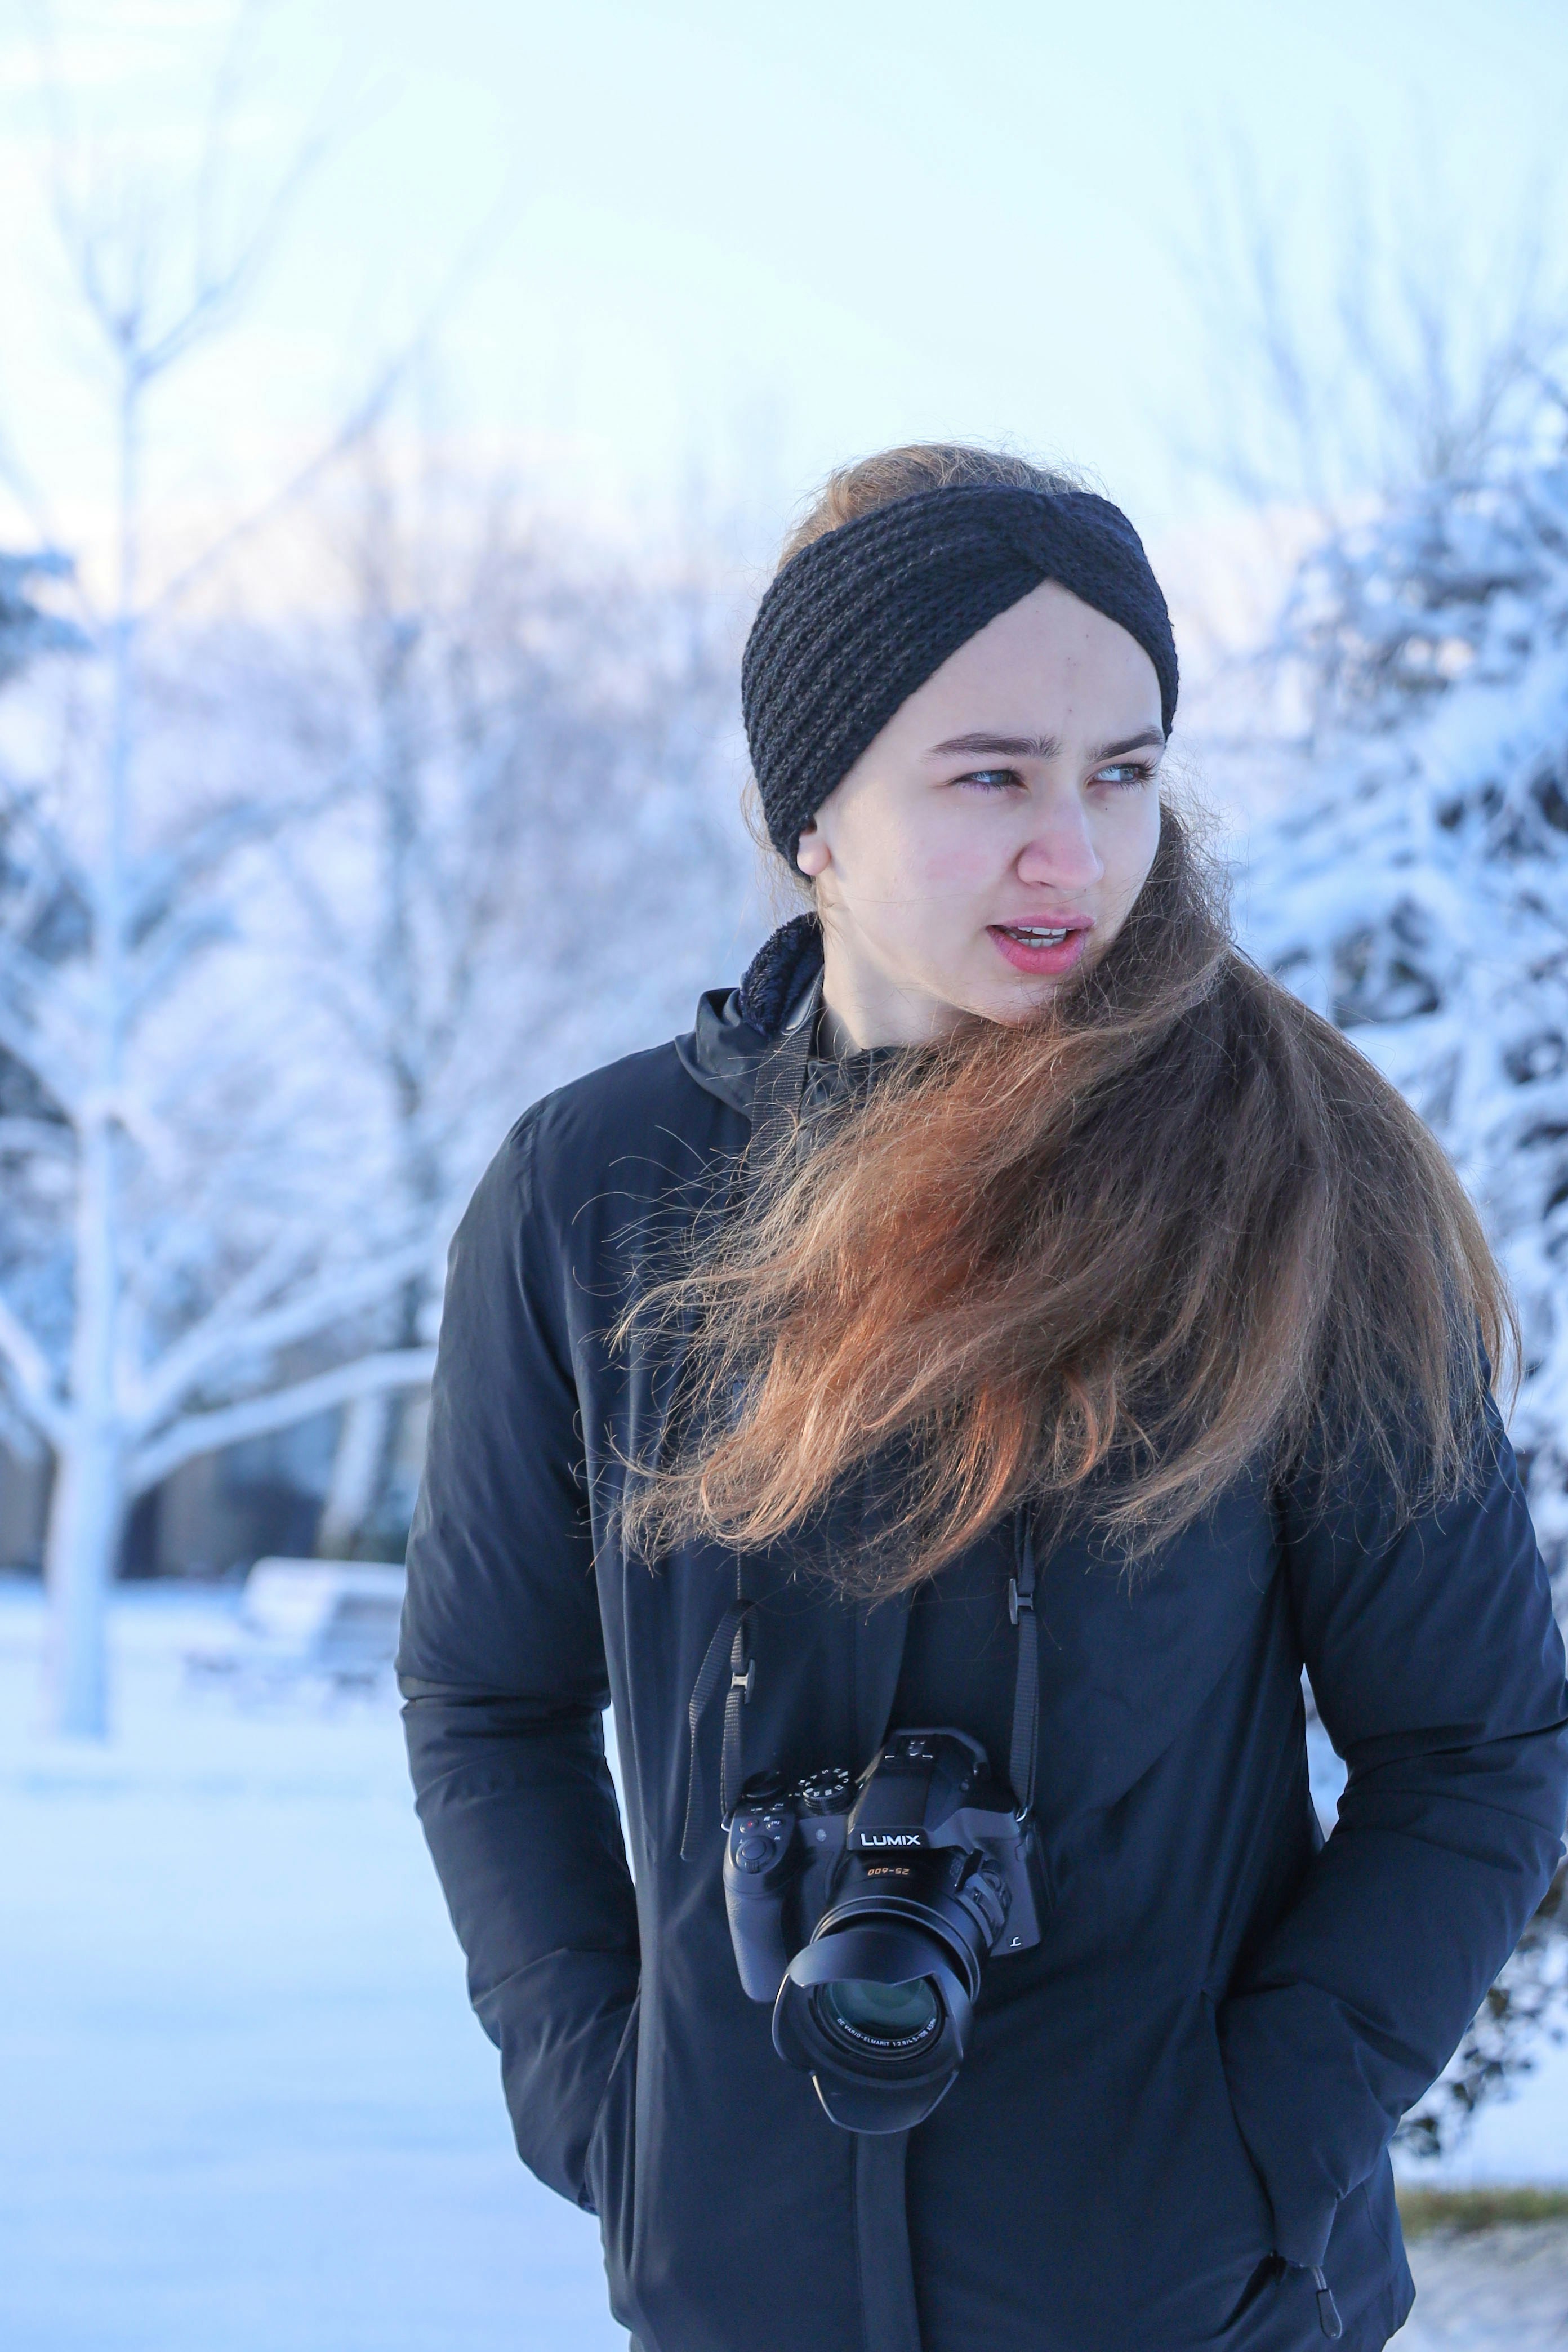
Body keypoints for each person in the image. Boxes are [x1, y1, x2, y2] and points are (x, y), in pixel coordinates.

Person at [397, 443, 1568, 2352]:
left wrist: (1258, 2151)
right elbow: (487, 1696)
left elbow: (1479, 1751)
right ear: (815, 821)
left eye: (1122, 772)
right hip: (744, 2290)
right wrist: (612, 2109)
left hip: (1199, 2299)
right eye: (992, 774)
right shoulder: (592, 1193)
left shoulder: (1299, 1182)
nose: (1076, 850)